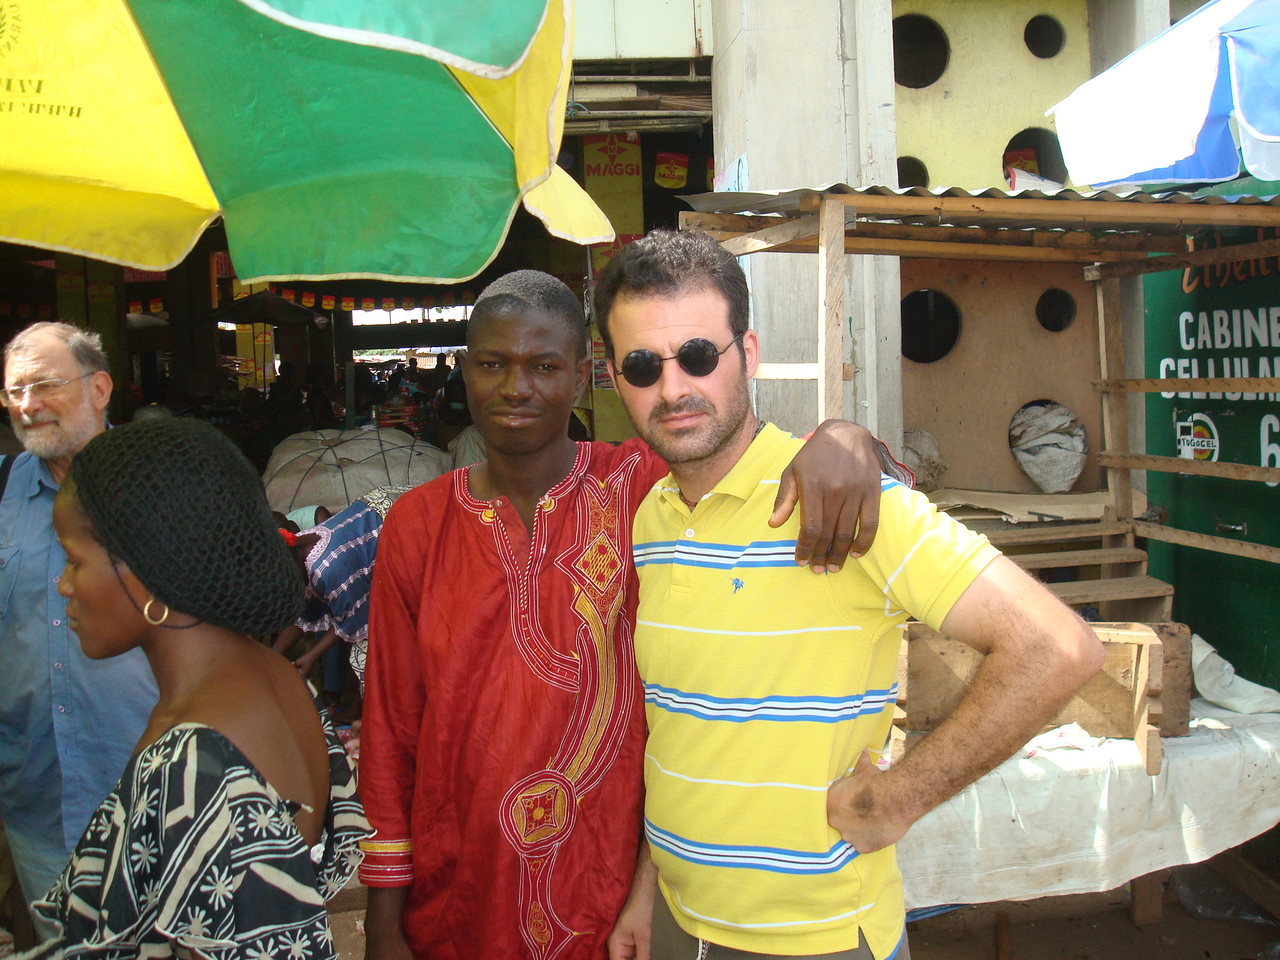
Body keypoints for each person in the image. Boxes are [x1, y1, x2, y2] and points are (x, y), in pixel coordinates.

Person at [358, 270, 900, 960]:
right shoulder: (418, 526)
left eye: (544, 366)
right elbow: (390, 731)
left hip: (617, 900)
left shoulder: (639, 487)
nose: (516, 387)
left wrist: (849, 437)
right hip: (459, 892)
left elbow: (758, 461)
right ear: (465, 372)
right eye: (493, 364)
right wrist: (384, 919)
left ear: (585, 378)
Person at [595, 230, 1105, 960]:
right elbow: (683, 733)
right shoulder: (652, 519)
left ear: (751, 354)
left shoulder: (842, 500)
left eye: (700, 356)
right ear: (615, 377)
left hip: (820, 941)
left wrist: (900, 797)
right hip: (682, 923)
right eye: (643, 365)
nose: (674, 388)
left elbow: (1057, 646)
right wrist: (649, 895)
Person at [20, 416, 369, 959]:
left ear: (146, 570)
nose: (65, 584)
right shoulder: (276, 677)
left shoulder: (195, 761)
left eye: (74, 560)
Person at [0, 322, 158, 936]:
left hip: (154, 796)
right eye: (13, 392)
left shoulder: (162, 487)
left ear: (99, 388)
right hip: (39, 802)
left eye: (43, 385)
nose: (26, 405)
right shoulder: (3, 494)